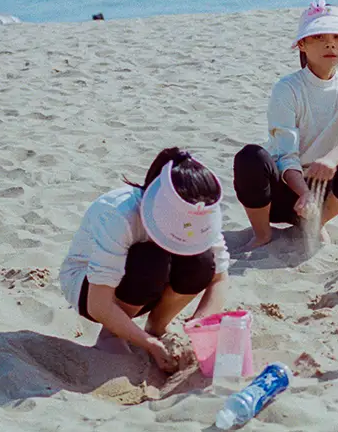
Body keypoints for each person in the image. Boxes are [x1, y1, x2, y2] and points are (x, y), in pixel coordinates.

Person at [59, 148, 229, 372]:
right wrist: (148, 346)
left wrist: (199, 326)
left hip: (149, 283)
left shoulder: (197, 216)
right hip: (89, 287)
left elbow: (219, 278)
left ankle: (156, 326)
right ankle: (112, 335)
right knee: (151, 260)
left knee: (202, 262)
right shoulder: (118, 214)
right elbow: (98, 304)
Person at [233, 0, 338, 249]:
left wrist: (331, 160)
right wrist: (304, 193)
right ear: (302, 44)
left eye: (337, 36)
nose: (330, 43)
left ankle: (314, 224)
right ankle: (262, 233)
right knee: (251, 157)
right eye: (319, 36)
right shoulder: (287, 88)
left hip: (323, 186)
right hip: (282, 187)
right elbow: (284, 153)